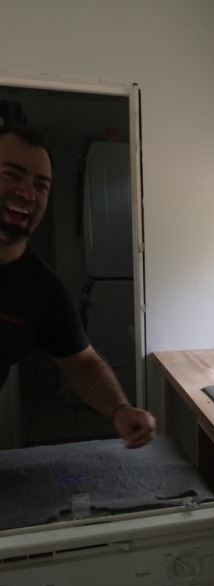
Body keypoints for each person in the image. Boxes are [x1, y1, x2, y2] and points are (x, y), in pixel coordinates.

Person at [0, 126, 156, 448]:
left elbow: (82, 363)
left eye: (40, 185)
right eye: (11, 175)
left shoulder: (42, 289)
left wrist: (119, 409)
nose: (27, 193)